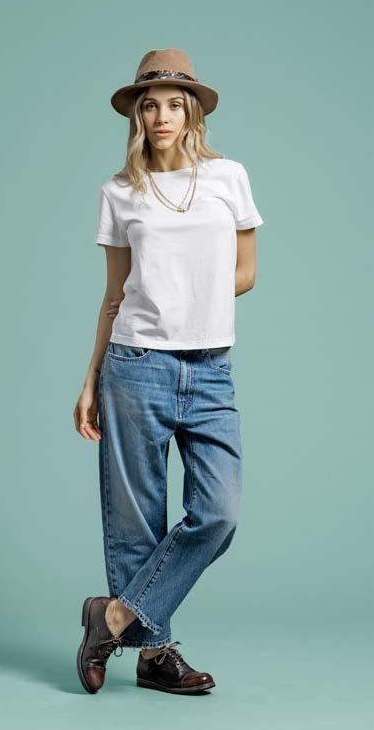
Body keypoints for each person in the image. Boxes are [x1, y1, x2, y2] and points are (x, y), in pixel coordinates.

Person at [74, 48, 266, 696]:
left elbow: (245, 272)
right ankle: (154, 655)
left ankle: (112, 617)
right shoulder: (119, 192)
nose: (162, 116)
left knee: (218, 513)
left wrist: (189, 294)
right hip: (134, 364)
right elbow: (114, 294)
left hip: (209, 367)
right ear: (137, 115)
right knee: (136, 519)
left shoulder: (227, 178)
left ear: (191, 114)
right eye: (150, 105)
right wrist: (89, 379)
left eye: (175, 105)